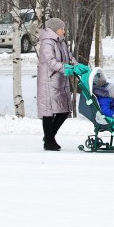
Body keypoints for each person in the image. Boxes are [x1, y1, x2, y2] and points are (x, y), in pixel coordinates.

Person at [37, 17, 76, 151]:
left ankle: (49, 137)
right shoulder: (47, 43)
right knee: (48, 112)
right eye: (61, 29)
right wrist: (66, 68)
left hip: (59, 81)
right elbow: (51, 62)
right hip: (48, 81)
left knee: (64, 110)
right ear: (54, 29)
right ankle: (49, 141)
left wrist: (77, 65)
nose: (64, 31)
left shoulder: (60, 42)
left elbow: (69, 57)